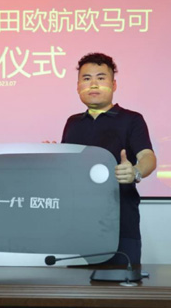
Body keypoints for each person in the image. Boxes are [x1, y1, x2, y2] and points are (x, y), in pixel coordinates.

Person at [61, 52, 156, 265]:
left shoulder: (132, 119)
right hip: (77, 225)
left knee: (122, 283)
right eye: (86, 78)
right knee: (75, 285)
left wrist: (136, 171)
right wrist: (53, 159)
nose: (93, 84)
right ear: (78, 87)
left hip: (121, 222)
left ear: (113, 85)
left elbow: (147, 156)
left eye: (101, 78)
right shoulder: (72, 123)